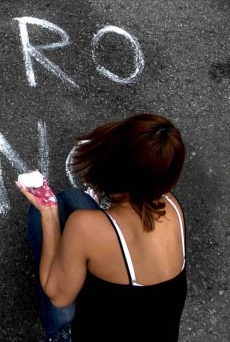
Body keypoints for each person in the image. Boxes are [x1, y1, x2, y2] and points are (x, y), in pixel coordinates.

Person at [16, 114, 187, 341]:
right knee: (72, 199)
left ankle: (60, 333)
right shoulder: (172, 206)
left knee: (43, 217)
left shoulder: (85, 228)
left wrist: (48, 215)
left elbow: (58, 295)